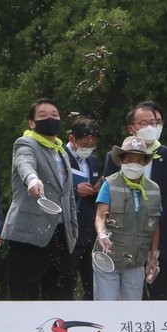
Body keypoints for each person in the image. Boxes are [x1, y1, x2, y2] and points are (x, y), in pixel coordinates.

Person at [105, 101, 167, 300]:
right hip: (123, 235)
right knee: (129, 291)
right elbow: (108, 196)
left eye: (154, 122)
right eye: (144, 123)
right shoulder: (115, 157)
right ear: (131, 128)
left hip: (161, 233)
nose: (151, 127)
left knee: (161, 291)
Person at [2, 98, 78, 300]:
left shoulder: (61, 151)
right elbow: (24, 163)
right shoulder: (25, 143)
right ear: (31, 123)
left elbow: (67, 194)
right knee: (25, 298)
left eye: (54, 115)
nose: (50, 119)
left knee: (61, 298)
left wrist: (73, 229)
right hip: (29, 234)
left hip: (61, 236)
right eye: (43, 116)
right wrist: (32, 179)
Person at [92, 137, 161, 300]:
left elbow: (155, 226)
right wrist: (101, 234)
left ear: (145, 163)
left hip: (136, 260)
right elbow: (100, 215)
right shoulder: (110, 183)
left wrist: (153, 257)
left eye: (138, 161)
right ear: (121, 160)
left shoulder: (153, 189)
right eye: (129, 160)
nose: (134, 164)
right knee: (107, 307)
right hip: (108, 257)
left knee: (132, 310)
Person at [66, 117, 102, 300]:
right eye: (84, 142)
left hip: (89, 230)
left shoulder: (93, 161)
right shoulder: (60, 157)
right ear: (72, 139)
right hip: (68, 230)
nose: (88, 146)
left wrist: (96, 190)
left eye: (92, 143)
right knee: (66, 280)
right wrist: (75, 189)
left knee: (92, 283)